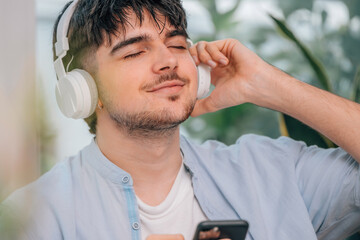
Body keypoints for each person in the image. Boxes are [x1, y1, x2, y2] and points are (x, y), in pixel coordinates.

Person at [1, 0, 359, 239]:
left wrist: (268, 85)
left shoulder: (272, 171)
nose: (169, 62)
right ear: (82, 89)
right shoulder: (32, 218)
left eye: (176, 44)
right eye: (135, 51)